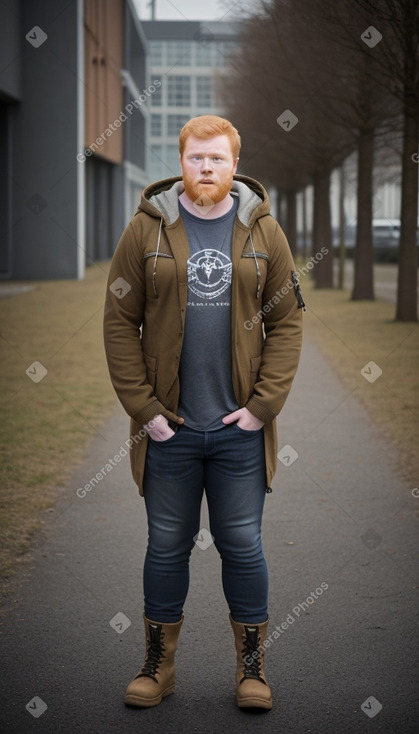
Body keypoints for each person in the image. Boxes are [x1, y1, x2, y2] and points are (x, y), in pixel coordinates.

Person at [103, 115, 304, 710]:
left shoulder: (264, 230)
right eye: (197, 158)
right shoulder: (146, 229)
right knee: (167, 544)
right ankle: (157, 666)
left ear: (235, 164)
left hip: (239, 430)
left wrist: (263, 406)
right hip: (171, 430)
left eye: (218, 158)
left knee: (242, 543)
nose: (207, 168)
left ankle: (252, 671)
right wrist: (145, 410)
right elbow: (119, 321)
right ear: (182, 161)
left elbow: (287, 321)